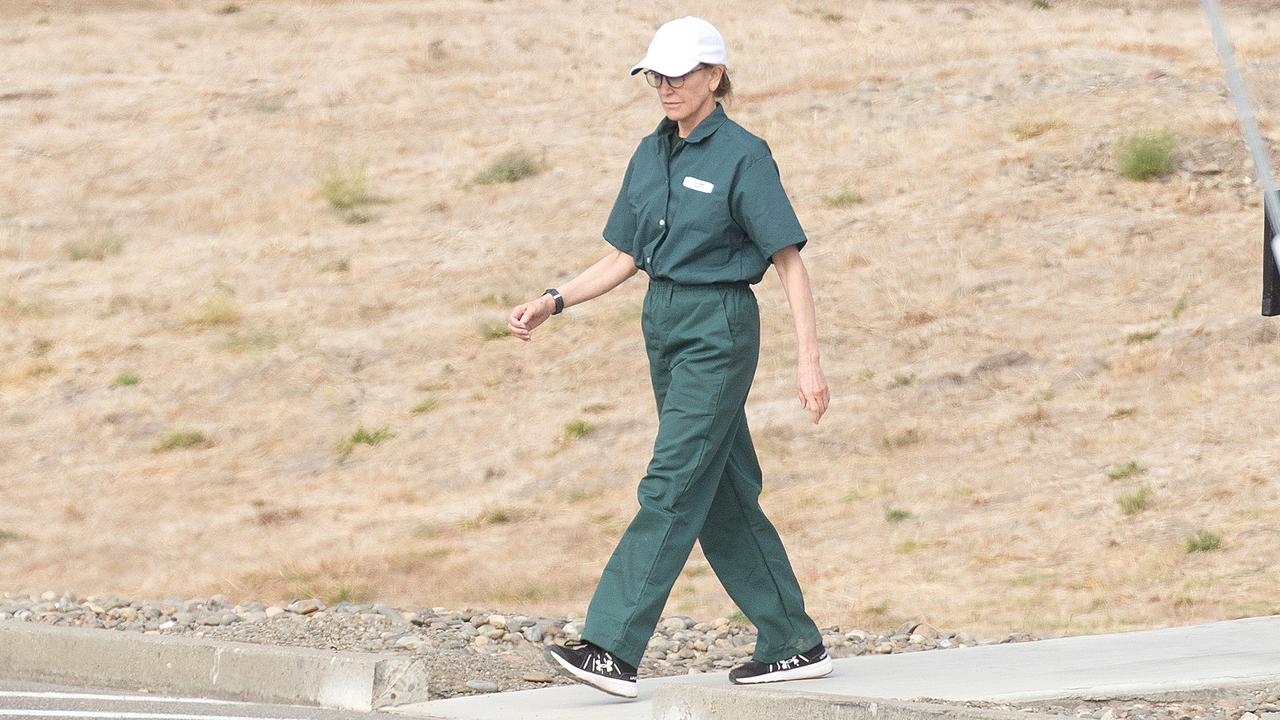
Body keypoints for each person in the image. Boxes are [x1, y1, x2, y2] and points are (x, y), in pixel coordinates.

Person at [506, 15, 832, 699]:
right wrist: (553, 299)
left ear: (715, 76)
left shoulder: (744, 154)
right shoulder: (651, 152)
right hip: (663, 323)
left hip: (719, 327)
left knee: (671, 482)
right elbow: (625, 256)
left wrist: (809, 361)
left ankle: (612, 649)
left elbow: (788, 261)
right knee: (722, 495)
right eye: (657, 74)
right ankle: (794, 643)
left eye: (680, 74)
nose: (666, 86)